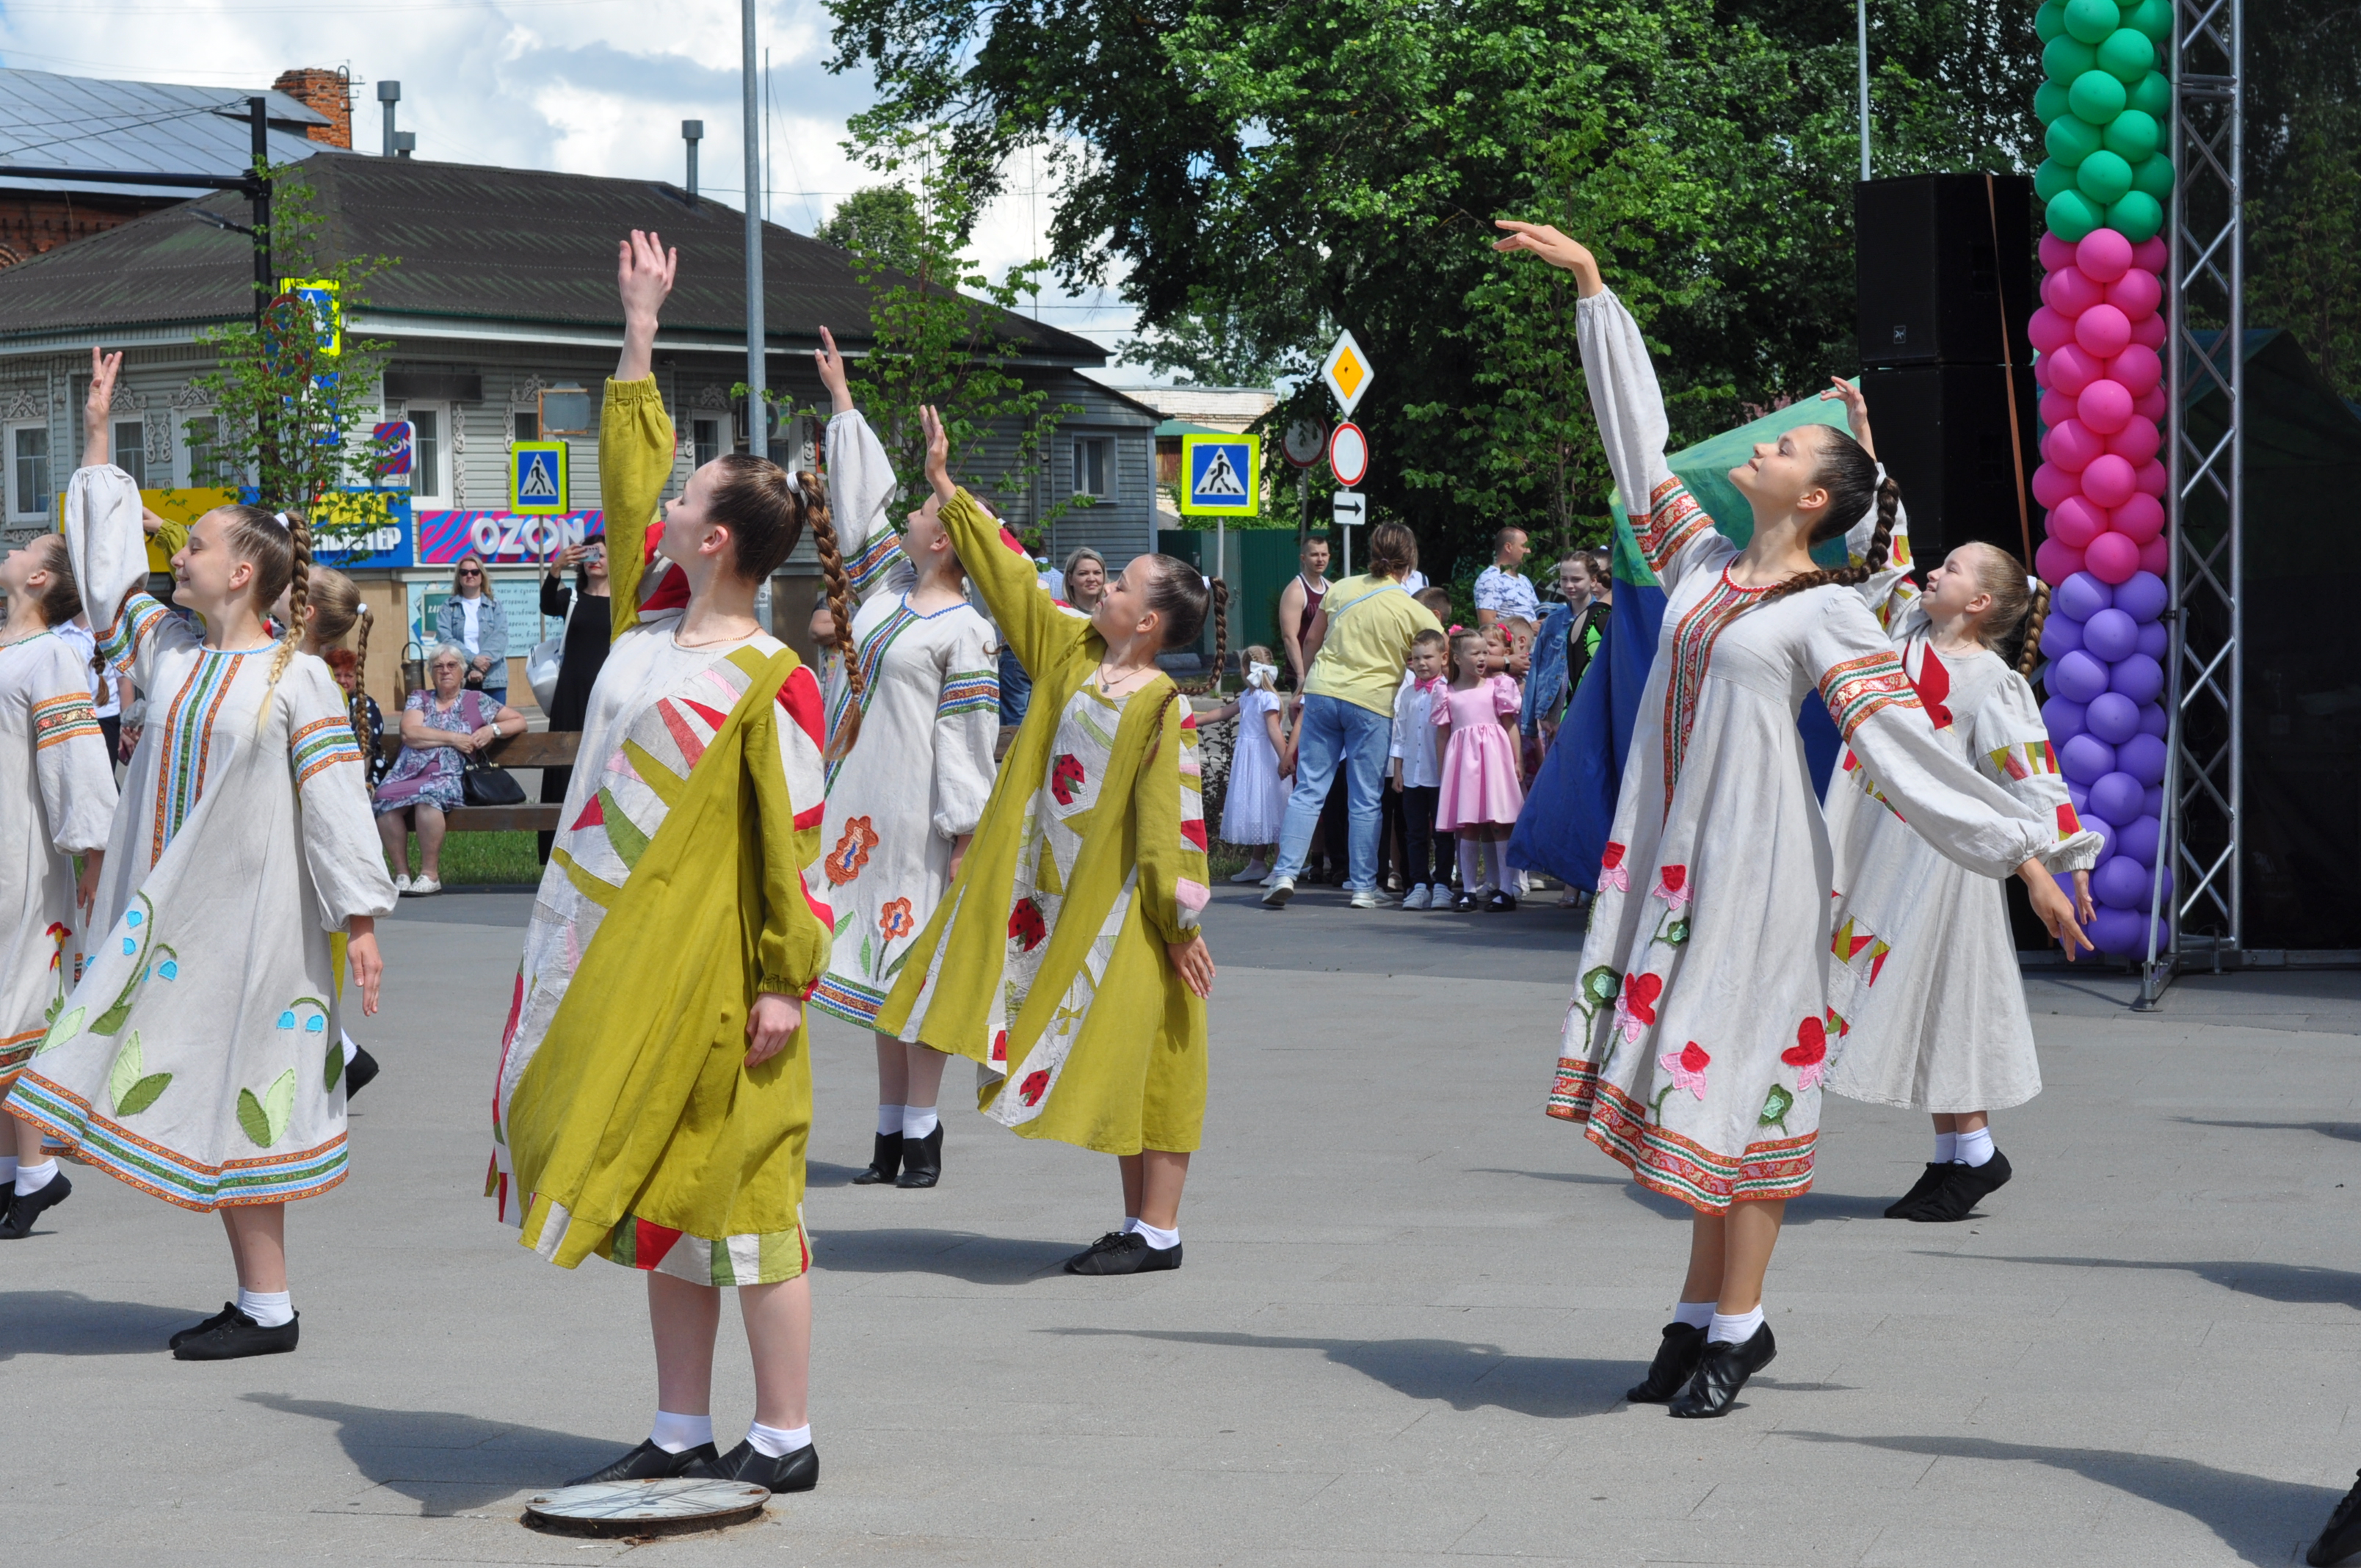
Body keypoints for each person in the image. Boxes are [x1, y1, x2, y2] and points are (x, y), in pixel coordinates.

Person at [1497, 219, 2087, 1419]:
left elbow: (1910, 753)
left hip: (1765, 884)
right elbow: (1635, 446)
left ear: (1812, 495)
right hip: (1678, 873)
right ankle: (1699, 1315)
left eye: (1779, 447)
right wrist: (1597, 293)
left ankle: (1740, 1325)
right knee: (1691, 1091)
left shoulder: (1833, 616)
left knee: (1743, 1090)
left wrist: (2025, 847)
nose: (1756, 448)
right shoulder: (1702, 564)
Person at [493, 231, 852, 1494]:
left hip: (722, 981)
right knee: (662, 1204)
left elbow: (796, 847)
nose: (669, 504)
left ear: (718, 542)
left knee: (745, 1201)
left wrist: (784, 980)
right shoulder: (647, 631)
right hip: (610, 955)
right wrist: (638, 333)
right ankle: (681, 1425)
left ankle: (786, 1437)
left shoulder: (772, 684)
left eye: (691, 496)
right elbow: (626, 483)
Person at [7, 347, 395, 1355]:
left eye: (200, 543)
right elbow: (105, 576)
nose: (178, 552)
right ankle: (263, 1304)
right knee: (202, 1092)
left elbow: (337, 805)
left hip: (255, 929)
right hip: (161, 924)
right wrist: (96, 435)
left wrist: (358, 924)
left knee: (246, 1095)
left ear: (245, 572)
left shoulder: (293, 680)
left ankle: (270, 1309)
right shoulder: (166, 652)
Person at [874, 402, 1222, 1277]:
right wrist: (948, 488)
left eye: (1124, 584)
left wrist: (1179, 922)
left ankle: (1161, 1230)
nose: (1104, 586)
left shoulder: (1160, 705)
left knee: (1153, 1057)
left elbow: (1172, 822)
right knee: (1116, 1061)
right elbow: (1016, 580)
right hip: (1048, 898)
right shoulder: (1071, 655)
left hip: (1120, 914)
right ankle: (1143, 1225)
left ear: (1147, 622)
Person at [1815, 385, 2100, 1224]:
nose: (1934, 569)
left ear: (1979, 604)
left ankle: (1968, 1152)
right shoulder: (1899, 626)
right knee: (1936, 1000)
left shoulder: (1991, 682)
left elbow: (2031, 773)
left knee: (1942, 996)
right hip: (1877, 837)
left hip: (1941, 862)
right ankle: (1961, 1154)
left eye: (1954, 569)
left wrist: (2062, 860)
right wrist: (1865, 441)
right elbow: (1883, 547)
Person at [803, 324, 1000, 1192]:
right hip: (864, 811)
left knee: (918, 974)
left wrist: (964, 828)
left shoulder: (967, 629)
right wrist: (844, 404)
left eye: (927, 515)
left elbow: (968, 736)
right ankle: (888, 1136)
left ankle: (923, 1135)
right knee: (883, 975)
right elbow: (861, 510)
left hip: (922, 818)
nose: (912, 516)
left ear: (946, 543)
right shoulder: (887, 591)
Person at [0, 528, 117, 1239]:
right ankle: (19, 1171)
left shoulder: (51, 657)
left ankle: (36, 1168)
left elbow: (76, 759)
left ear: (41, 580)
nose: (7, 550)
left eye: (22, 549)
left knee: (16, 1004)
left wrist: (93, 852)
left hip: (18, 858)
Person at [1262, 523, 1443, 910]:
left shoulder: (1341, 588)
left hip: (1324, 693)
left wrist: (1305, 684)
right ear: (1410, 562)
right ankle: (1362, 886)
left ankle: (1284, 873)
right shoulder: (1414, 610)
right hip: (1372, 704)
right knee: (1365, 798)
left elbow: (1311, 639)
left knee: (1309, 789)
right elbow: (1439, 658)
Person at [291, 563, 388, 1102]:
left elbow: (340, 805)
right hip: (283, 867)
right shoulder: (289, 669)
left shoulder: (310, 682)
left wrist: (360, 918)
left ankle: (339, 1060)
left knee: (301, 988)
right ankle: (345, 1056)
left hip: (302, 873)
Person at [371, 645, 526, 895]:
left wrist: (491, 730)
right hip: (407, 774)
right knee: (383, 799)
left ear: (463, 671)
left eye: (452, 665)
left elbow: (519, 720)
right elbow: (410, 733)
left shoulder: (476, 701)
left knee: (428, 798)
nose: (445, 671)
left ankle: (430, 874)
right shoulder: (420, 699)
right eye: (438, 666)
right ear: (431, 673)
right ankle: (402, 874)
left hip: (448, 776)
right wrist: (454, 739)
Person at [1433, 628, 1526, 912]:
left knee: (1500, 821)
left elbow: (1510, 725)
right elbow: (1443, 735)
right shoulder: (1446, 692)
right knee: (1469, 825)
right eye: (1476, 653)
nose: (1483, 658)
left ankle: (1506, 889)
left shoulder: (1498, 686)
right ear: (1458, 659)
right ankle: (1468, 890)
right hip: (1465, 763)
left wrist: (1517, 760)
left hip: (1495, 760)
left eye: (1486, 652)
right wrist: (1443, 771)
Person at [537, 538, 612, 862]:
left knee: (603, 764)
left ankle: (599, 845)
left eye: (601, 555)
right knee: (565, 765)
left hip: (608, 693)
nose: (594, 561)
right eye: (588, 555)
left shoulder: (624, 601)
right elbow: (546, 604)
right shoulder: (572, 598)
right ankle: (558, 847)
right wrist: (557, 566)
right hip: (571, 694)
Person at [1212, 646, 1288, 885]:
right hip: (1251, 761)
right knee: (1259, 811)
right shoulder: (1248, 695)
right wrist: (1191, 720)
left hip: (1265, 760)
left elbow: (1274, 732)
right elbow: (1224, 712)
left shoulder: (1267, 698)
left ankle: (1280, 866)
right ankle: (1257, 864)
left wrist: (1286, 760)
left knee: (1273, 810)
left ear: (1246, 669)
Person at [1390, 628, 1448, 909]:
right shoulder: (1407, 695)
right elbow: (1400, 735)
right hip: (1412, 776)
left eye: (1428, 657)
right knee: (1414, 833)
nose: (1422, 663)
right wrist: (1398, 771)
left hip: (1439, 775)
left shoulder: (1447, 691)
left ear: (1443, 657)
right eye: (1416, 658)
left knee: (1442, 833)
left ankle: (1443, 885)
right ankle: (1418, 884)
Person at [437, 552, 509, 705]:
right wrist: (473, 660)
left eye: (474, 572)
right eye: (464, 572)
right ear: (459, 577)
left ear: (482, 576)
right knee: (464, 726)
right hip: (462, 678)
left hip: (493, 679)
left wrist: (481, 668)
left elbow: (500, 636)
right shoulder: (449, 607)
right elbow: (446, 639)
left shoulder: (494, 605)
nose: (470, 575)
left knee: (496, 725)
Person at [1274, 534, 1331, 690]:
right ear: (1303, 558)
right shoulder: (1296, 591)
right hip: (1305, 672)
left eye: (1324, 554)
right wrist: (1301, 675)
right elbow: (1289, 637)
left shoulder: (1332, 589)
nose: (1320, 559)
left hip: (1327, 670)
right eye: (1314, 555)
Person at [1473, 526, 1539, 630]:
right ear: (1508, 547)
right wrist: (1527, 628)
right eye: (1524, 546)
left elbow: (1536, 613)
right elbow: (1486, 623)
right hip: (1509, 646)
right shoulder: (1490, 579)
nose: (1529, 551)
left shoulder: (1524, 580)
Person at [1062, 546, 1109, 614]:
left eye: (1097, 573)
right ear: (1070, 579)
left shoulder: (1110, 614)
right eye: (1083, 574)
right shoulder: (1060, 613)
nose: (1092, 579)